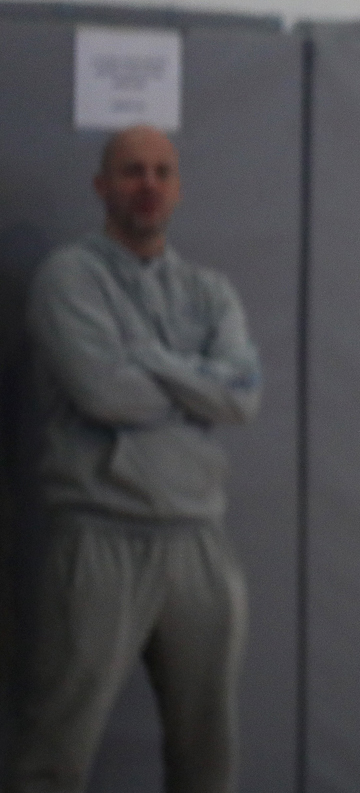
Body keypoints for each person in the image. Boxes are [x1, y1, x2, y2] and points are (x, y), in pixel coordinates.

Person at [14, 125, 263, 793]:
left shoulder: (209, 291)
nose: (147, 184)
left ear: (177, 187)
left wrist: (147, 359)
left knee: (207, 755)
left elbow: (242, 396)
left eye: (161, 171)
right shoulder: (70, 278)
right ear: (102, 186)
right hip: (99, 538)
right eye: (131, 171)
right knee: (54, 752)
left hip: (198, 541)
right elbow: (104, 392)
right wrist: (196, 383)